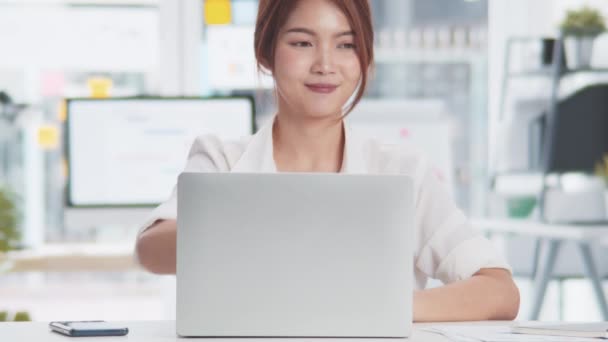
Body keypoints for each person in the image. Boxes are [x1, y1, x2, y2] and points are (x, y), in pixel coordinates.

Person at [136, 0, 520, 322]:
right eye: (302, 43)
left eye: (346, 45)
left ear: (365, 57)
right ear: (265, 52)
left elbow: (501, 292)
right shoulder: (222, 158)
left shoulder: (401, 172)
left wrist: (385, 308)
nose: (325, 64)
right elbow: (150, 250)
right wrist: (255, 226)